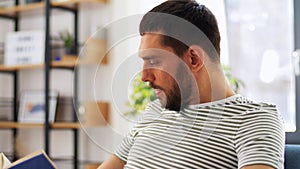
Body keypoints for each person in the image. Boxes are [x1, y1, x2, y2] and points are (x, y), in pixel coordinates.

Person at [98, 0, 285, 168]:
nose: (144, 77)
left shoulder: (254, 120)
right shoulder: (156, 110)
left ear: (194, 59)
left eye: (154, 61)